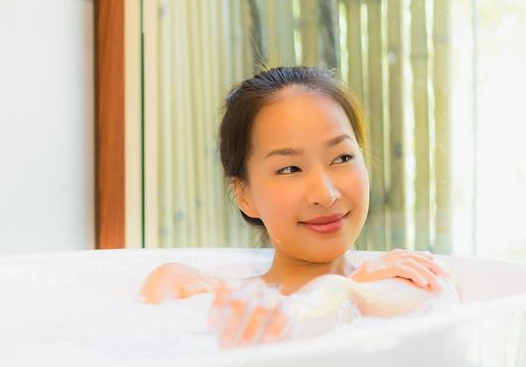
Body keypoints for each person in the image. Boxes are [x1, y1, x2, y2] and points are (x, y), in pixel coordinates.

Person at [138, 65, 461, 348]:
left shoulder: (405, 279)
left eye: (342, 157)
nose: (326, 194)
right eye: (290, 169)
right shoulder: (186, 290)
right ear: (244, 194)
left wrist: (348, 294)